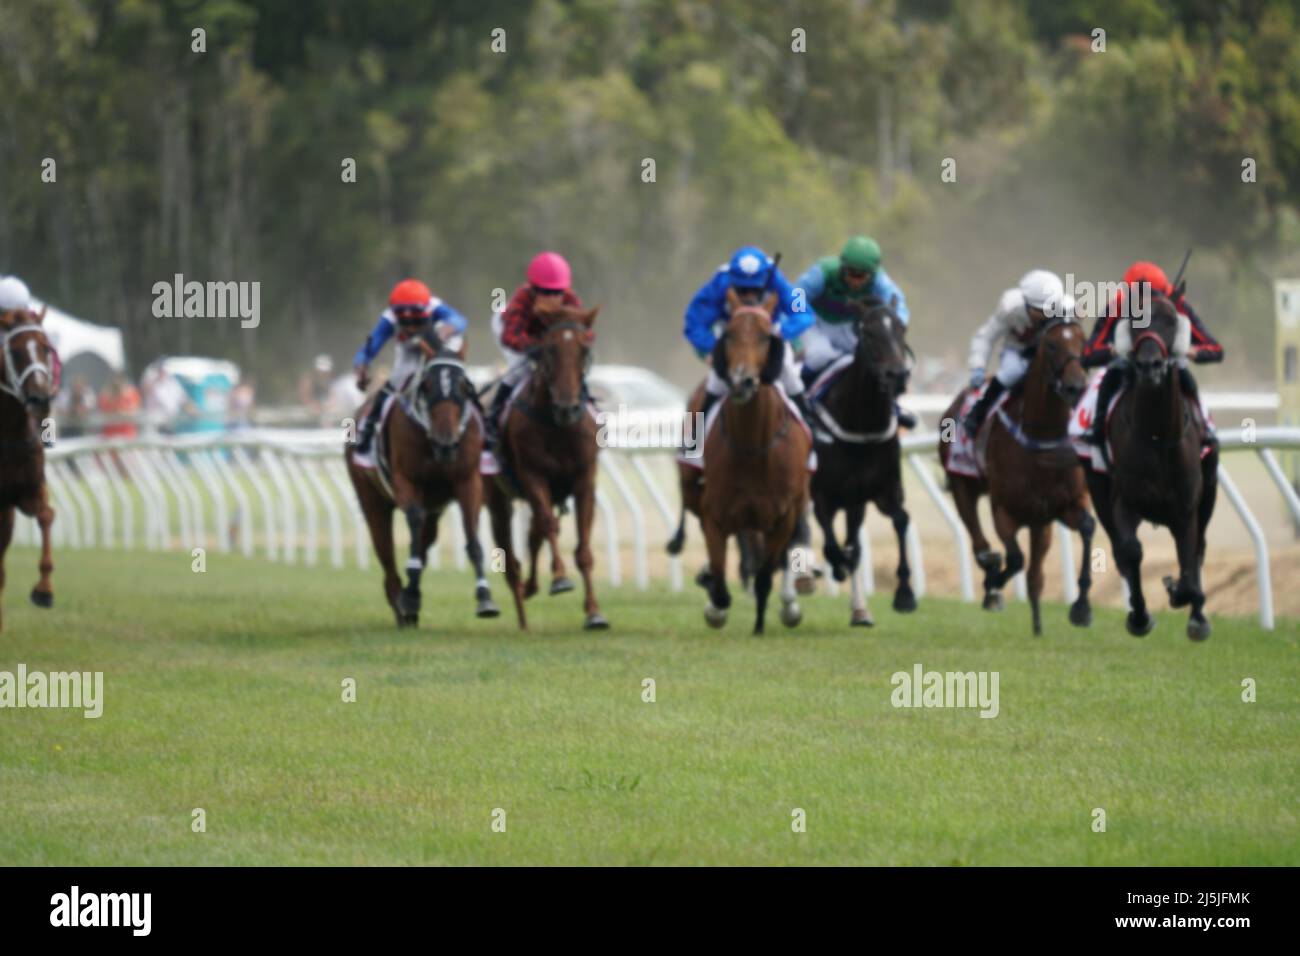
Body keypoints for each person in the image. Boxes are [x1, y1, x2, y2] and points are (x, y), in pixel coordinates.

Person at [1082, 260, 1222, 448]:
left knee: (1185, 376)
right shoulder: (1118, 305)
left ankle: (1205, 427)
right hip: (1129, 363)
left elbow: (1215, 349)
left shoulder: (1177, 303)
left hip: (1168, 363)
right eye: (1139, 301)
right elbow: (1089, 354)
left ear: (1164, 293)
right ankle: (1097, 428)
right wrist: (1113, 351)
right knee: (1109, 377)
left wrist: (1191, 352)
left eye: (1153, 297)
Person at [683, 245, 814, 427]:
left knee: (788, 373)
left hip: (767, 331)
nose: (749, 296)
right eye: (742, 290)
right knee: (716, 382)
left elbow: (804, 312)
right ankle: (691, 441)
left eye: (755, 290)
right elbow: (694, 321)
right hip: (732, 332)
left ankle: (811, 426)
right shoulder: (720, 281)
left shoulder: (776, 278)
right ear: (732, 280)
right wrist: (714, 346)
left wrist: (782, 331)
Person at [795, 235, 915, 427]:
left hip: (848, 326)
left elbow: (897, 302)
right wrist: (798, 323)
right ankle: (802, 401)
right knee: (820, 354)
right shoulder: (823, 271)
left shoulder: (880, 281)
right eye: (851, 273)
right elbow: (798, 292)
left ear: (872, 274)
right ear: (842, 266)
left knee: (869, 360)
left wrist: (898, 323)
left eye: (861, 275)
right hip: (814, 323)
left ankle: (892, 405)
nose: (855, 280)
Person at [483, 251, 587, 459]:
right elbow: (511, 337)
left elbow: (585, 331)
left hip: (546, 339)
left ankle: (587, 404)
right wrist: (537, 348)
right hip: (510, 330)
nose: (552, 298)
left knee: (569, 369)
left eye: (556, 292)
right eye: (545, 292)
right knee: (518, 373)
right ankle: (492, 423)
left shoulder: (571, 300)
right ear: (533, 289)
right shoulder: (522, 299)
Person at [352, 278, 468, 461]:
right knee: (393, 384)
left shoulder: (434, 305)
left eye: (415, 320)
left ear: (424, 309)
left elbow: (460, 320)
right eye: (404, 322)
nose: (410, 326)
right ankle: (367, 430)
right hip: (409, 353)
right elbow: (371, 346)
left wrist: (447, 329)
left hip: (437, 345)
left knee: (455, 380)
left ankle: (482, 421)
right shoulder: (388, 317)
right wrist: (361, 366)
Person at [962, 269, 1067, 438]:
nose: (1043, 315)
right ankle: (977, 414)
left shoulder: (1066, 309)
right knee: (1012, 372)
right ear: (1025, 303)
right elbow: (986, 337)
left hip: (1048, 353)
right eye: (1038, 310)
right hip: (1016, 351)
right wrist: (978, 367)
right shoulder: (1009, 308)